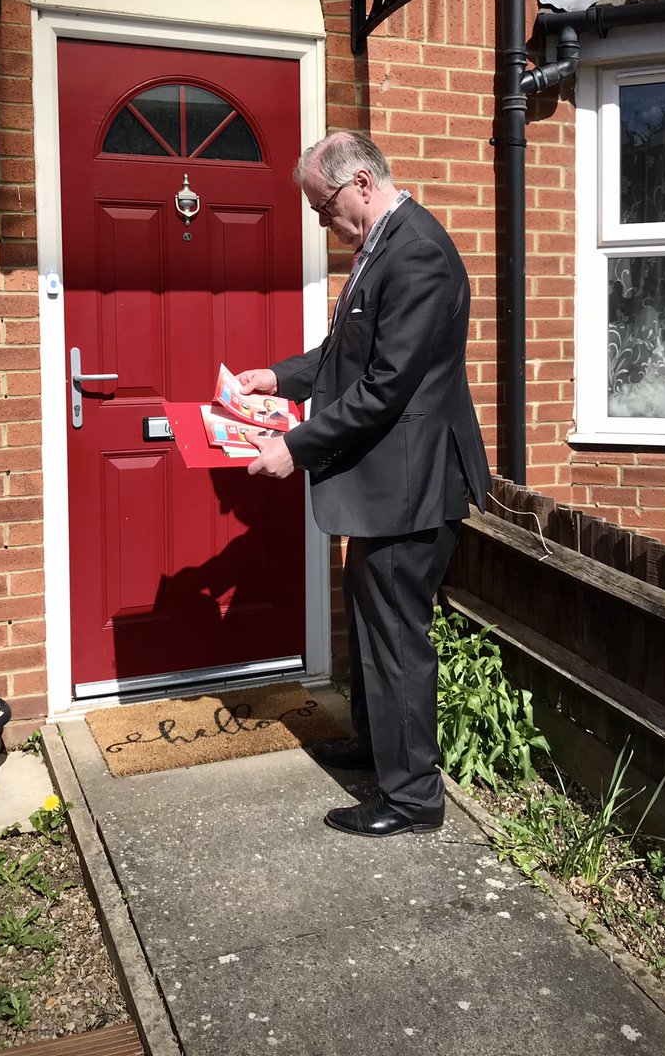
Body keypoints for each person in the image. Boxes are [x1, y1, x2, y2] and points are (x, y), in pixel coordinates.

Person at [238, 130, 490, 838]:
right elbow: (346, 351)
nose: (322, 222)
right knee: (372, 627)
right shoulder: (382, 245)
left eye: (323, 208)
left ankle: (413, 799)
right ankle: (381, 749)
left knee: (398, 639)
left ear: (359, 186)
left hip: (413, 487)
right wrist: (278, 377)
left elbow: (384, 388)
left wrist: (296, 445)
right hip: (386, 484)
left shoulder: (419, 255)